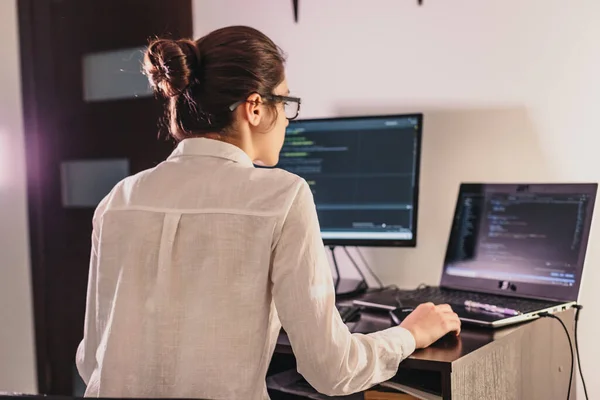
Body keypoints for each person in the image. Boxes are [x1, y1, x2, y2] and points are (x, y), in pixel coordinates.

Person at [75, 26, 461, 399]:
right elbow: (332, 369)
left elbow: (93, 361)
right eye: (286, 102)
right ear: (255, 108)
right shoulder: (281, 194)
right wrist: (410, 333)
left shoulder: (119, 199)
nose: (288, 121)